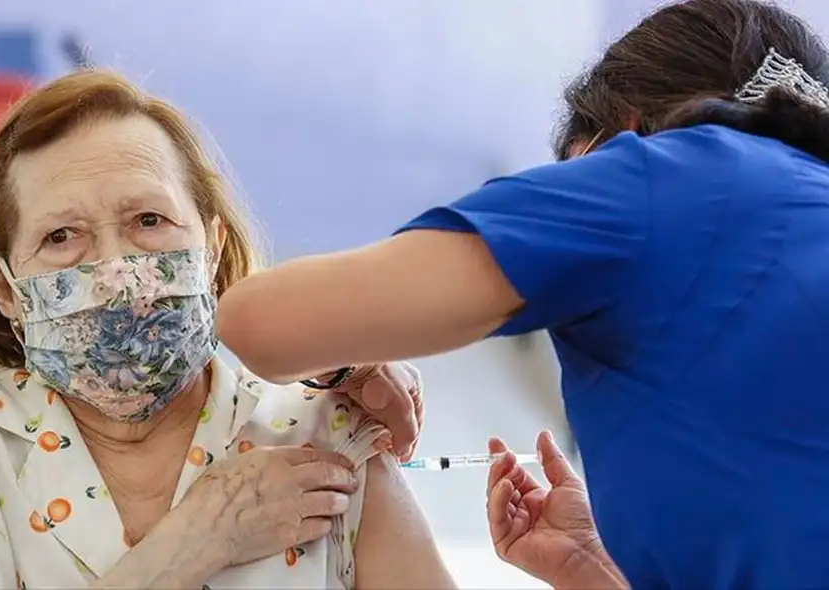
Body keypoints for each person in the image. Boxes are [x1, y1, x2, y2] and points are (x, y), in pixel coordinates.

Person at [216, 0, 829, 587]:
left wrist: (354, 352)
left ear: (618, 132)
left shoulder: (657, 176)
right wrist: (590, 568)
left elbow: (256, 321)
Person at [0, 70, 452, 589]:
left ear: (213, 250)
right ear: (2, 287)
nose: (116, 274)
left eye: (149, 221)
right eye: (61, 237)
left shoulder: (324, 430)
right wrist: (195, 541)